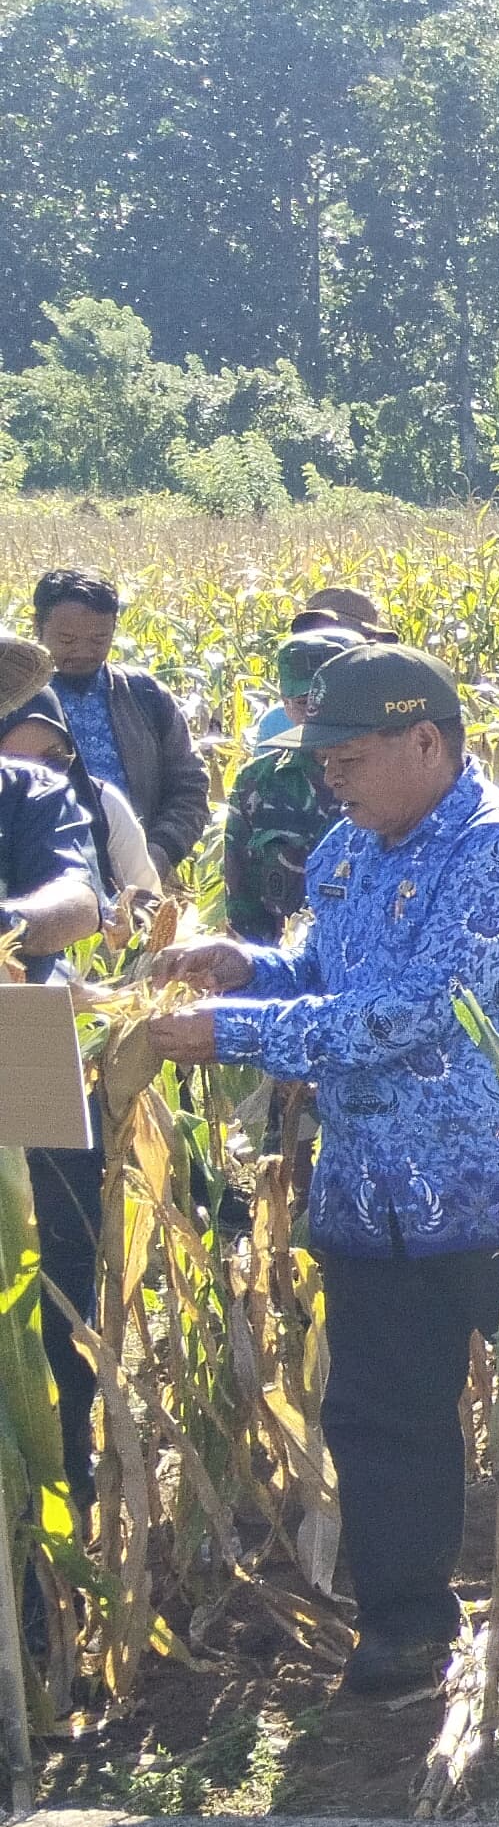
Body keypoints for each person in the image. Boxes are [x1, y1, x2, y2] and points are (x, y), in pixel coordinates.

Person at [138, 645, 499, 1695]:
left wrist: (236, 1029)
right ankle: (405, 1627)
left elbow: (413, 1011)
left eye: (348, 758)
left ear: (426, 741)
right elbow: (334, 974)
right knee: (382, 1420)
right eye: (322, 759)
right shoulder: (346, 850)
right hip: (373, 1196)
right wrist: (253, 967)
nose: (329, 778)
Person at [5, 721, 103, 1508]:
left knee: (52, 1283)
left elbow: (77, 902)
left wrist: (8, 925)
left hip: (20, 1034)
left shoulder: (28, 790)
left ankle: (55, 1496)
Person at [29, 570, 208, 871]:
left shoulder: (146, 695)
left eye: (99, 639)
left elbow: (189, 785)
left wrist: (156, 855)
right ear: (37, 626)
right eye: (67, 640)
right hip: (36, 874)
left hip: (133, 873)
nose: (83, 652)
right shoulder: (13, 699)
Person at [219, 627, 367, 941]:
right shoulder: (258, 784)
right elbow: (243, 904)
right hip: (284, 960)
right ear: (285, 706)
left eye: (334, 701)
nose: (320, 715)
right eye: (305, 703)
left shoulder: (395, 777)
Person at [0, 640, 151, 895]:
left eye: (54, 760)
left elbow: (148, 898)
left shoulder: (105, 806)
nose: (40, 780)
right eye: (16, 769)